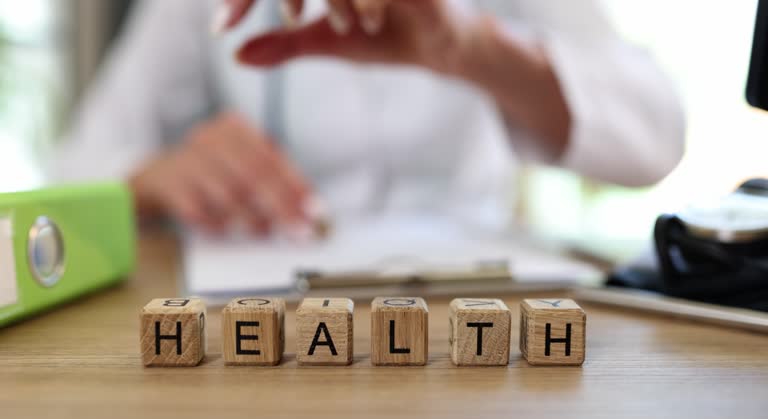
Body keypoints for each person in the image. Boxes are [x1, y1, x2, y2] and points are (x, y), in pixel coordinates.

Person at [50, 0, 684, 237]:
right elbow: (74, 168)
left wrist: (470, 50)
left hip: (472, 303)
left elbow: (656, 137)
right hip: (269, 305)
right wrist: (156, 174)